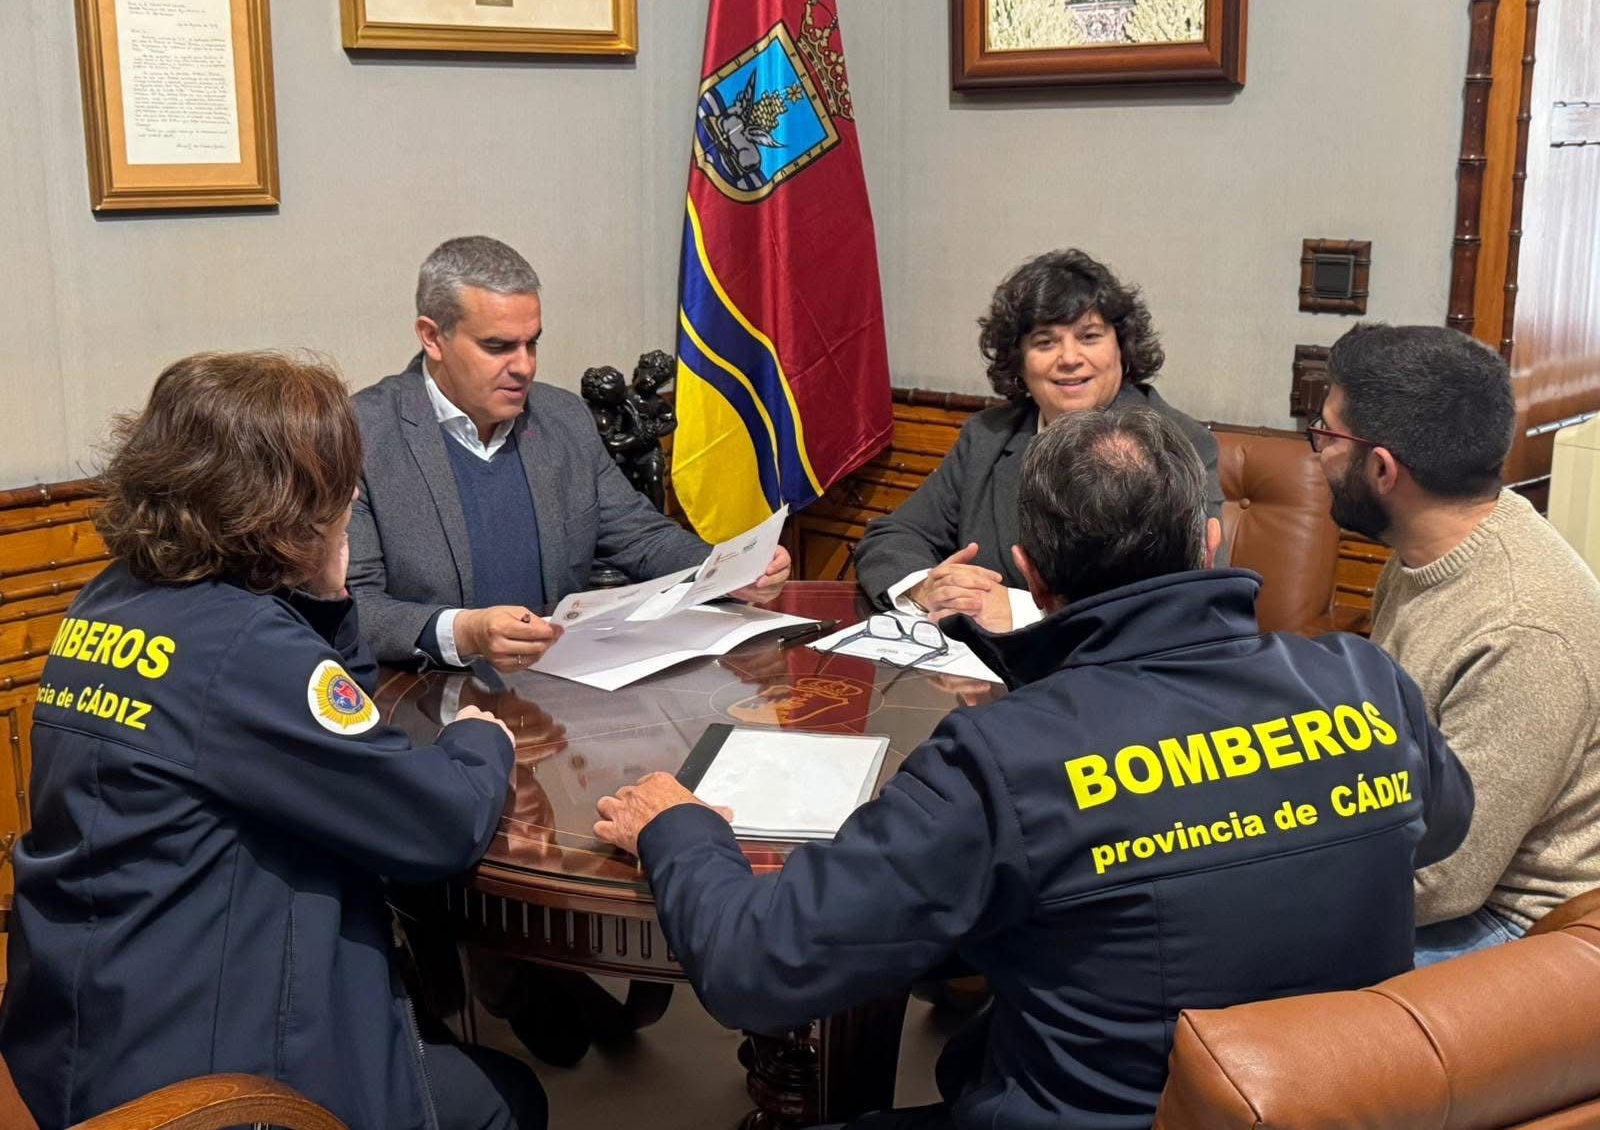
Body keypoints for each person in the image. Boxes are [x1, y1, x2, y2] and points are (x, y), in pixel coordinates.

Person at [594, 405, 1472, 1130]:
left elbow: (760, 966)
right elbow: (1442, 824)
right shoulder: (1365, 682)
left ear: (1030, 575)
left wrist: (680, 826)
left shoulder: (1007, 757)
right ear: (1210, 543)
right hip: (1349, 1106)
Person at [0, 352, 545, 1130]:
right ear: (280, 506)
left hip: (88, 1032)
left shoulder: (109, 601)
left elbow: (336, 731)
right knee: (508, 1102)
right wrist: (479, 742)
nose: (351, 499)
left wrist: (325, 600)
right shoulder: (243, 646)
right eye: (336, 486)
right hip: (221, 1080)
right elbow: (437, 824)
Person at [348, 235, 789, 671]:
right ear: (432, 337)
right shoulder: (362, 434)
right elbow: (356, 608)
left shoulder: (562, 417)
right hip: (423, 696)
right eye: (498, 347)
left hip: (560, 687)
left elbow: (639, 536)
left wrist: (729, 571)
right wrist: (465, 632)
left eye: (532, 343)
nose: (524, 366)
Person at [1313, 322, 1600, 965]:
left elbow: (1444, 879)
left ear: (1382, 469)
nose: (1319, 453)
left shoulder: (1523, 631)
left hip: (1516, 924)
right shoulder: (1424, 550)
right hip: (1425, 859)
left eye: (1328, 435)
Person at [853, 248, 1223, 633]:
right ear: (1020, 361)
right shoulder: (989, 437)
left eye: (1089, 336)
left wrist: (1020, 610)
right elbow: (894, 536)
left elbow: (1193, 593)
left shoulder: (1176, 443)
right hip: (978, 673)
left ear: (1121, 347)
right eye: (1045, 342)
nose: (1069, 358)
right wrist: (926, 588)